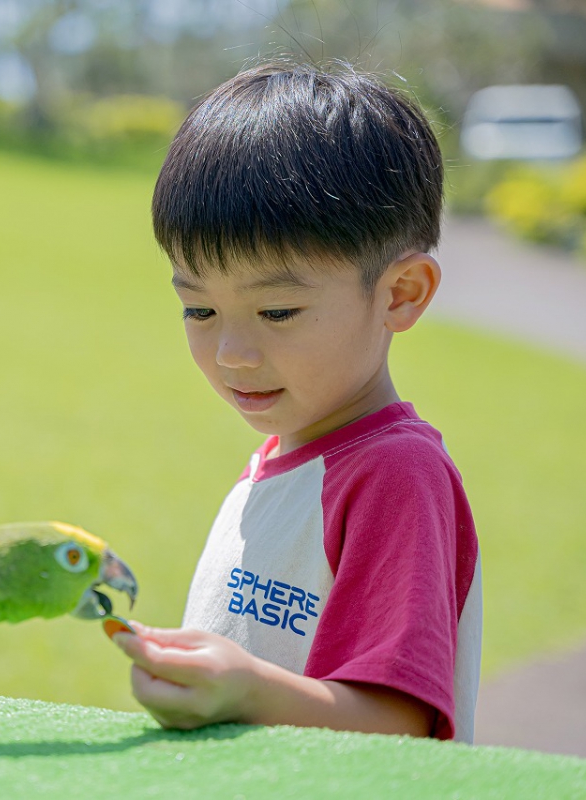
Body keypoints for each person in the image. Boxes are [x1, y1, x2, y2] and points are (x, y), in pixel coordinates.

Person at [109, 60, 482, 743]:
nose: (231, 354)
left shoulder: (393, 476)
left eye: (277, 311)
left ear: (400, 293)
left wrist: (245, 690)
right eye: (198, 310)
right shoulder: (287, 459)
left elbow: (394, 726)